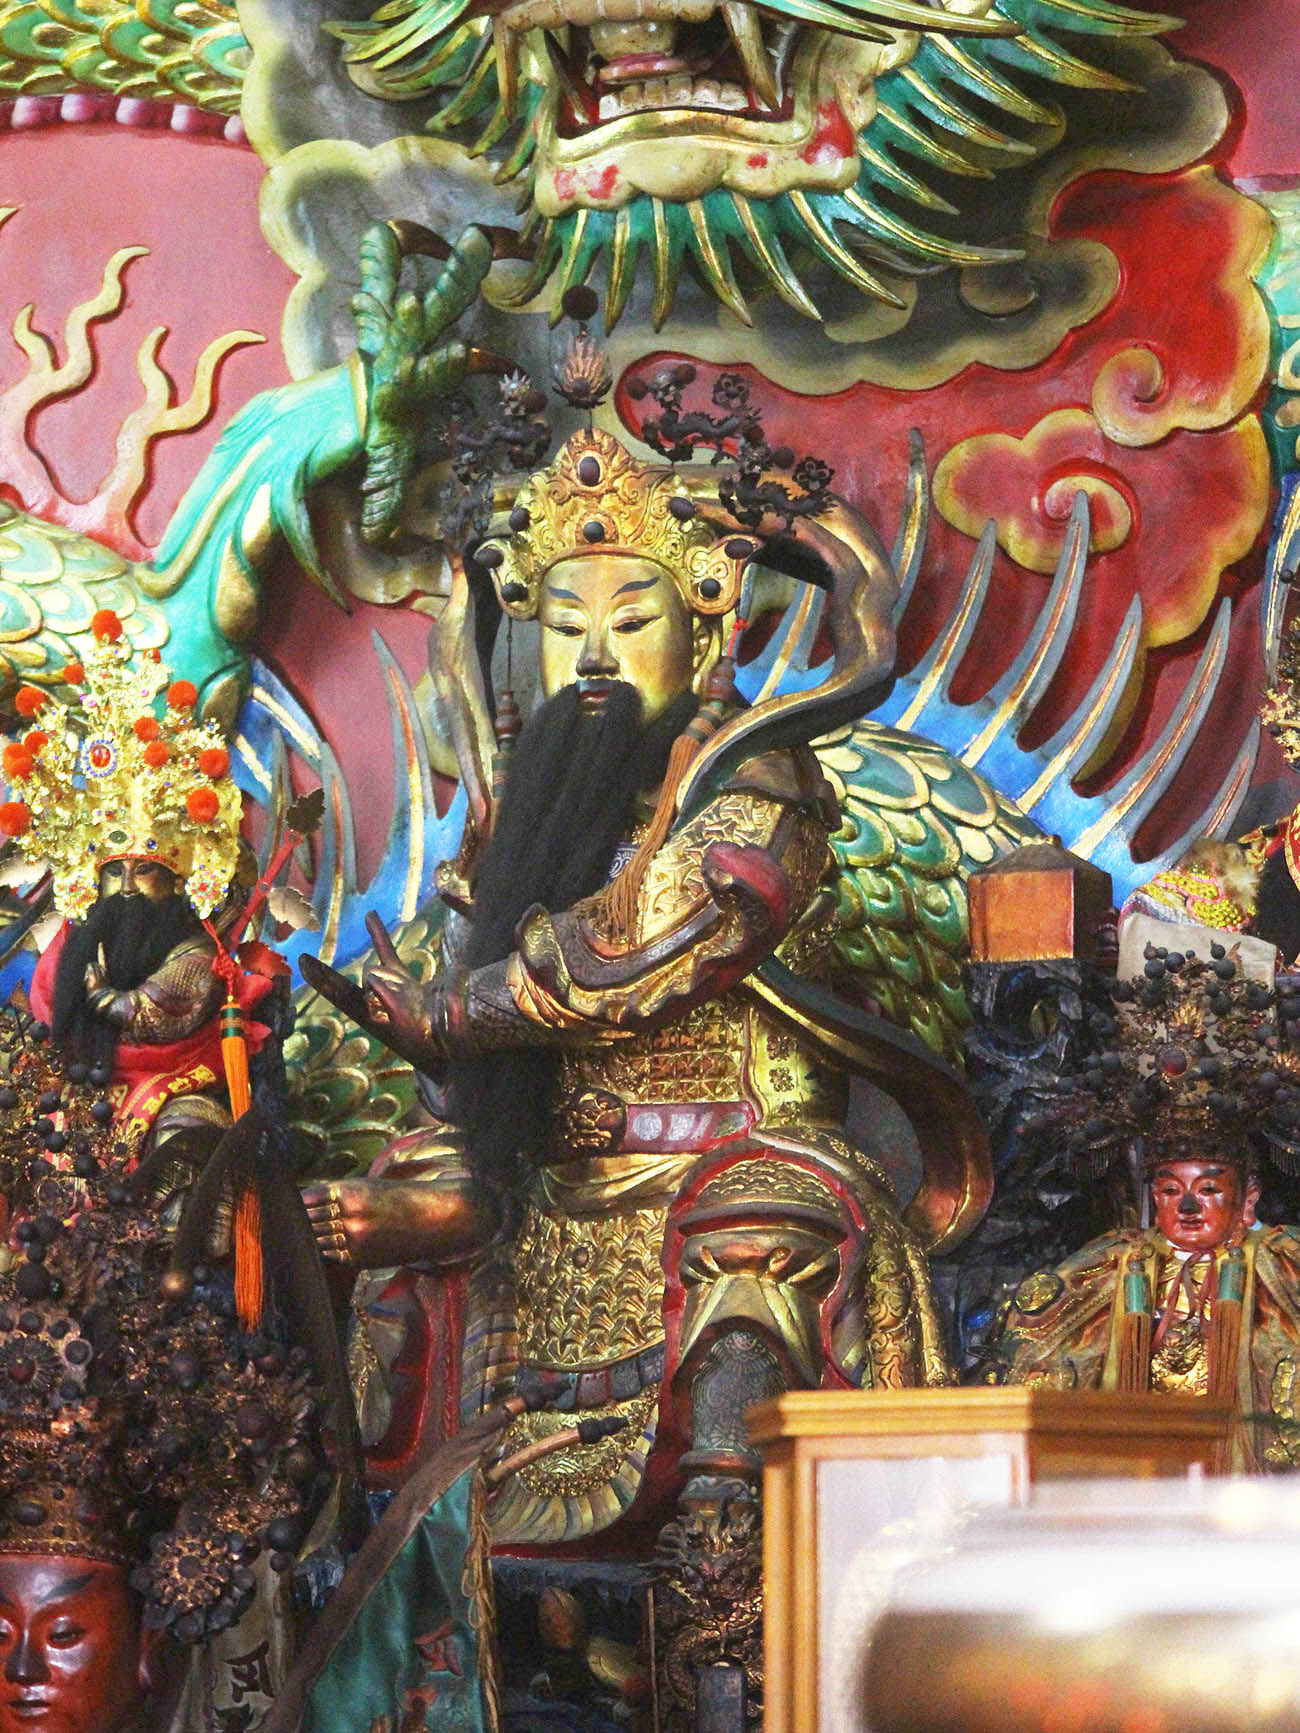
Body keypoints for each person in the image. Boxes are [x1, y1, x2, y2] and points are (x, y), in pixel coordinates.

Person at [300, 423, 983, 1551]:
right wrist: (432, 1142)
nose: (594, 659)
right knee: (394, 1225)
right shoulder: (521, 826)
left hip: (733, 1150)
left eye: (629, 623)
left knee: (758, 1235)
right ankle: (393, 1564)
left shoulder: (754, 784)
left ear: (701, 629)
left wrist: (453, 1015)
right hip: (555, 1188)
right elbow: (471, 1088)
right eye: (565, 629)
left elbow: (643, 947)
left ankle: (728, 1551)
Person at [986, 947, 1300, 1470]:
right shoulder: (1110, 1267)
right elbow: (1035, 1355)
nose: (1189, 1205)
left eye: (1209, 1189)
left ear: (1247, 1200)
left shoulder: (1282, 1265)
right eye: (1171, 1190)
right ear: (1152, 1197)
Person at [0, 611, 277, 1173]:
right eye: (113, 873)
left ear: (175, 880)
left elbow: (157, 1014)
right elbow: (53, 1008)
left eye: (145, 871)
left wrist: (98, 994)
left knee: (187, 1140)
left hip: (175, 1083)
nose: (126, 888)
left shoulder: (196, 956)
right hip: (80, 1083)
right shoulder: (76, 945)